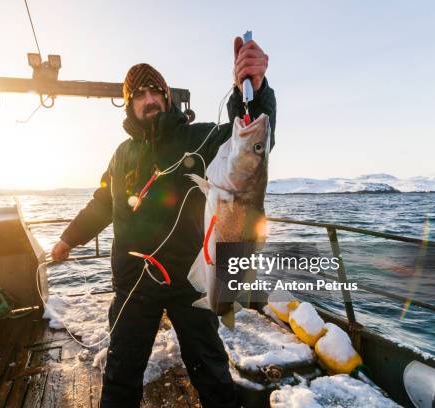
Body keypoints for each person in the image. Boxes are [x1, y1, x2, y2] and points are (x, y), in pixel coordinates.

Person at [51, 37, 276, 408]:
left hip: (189, 280)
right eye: (138, 94)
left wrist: (253, 88)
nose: (148, 98)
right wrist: (67, 239)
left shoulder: (199, 137)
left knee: (211, 369)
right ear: (129, 104)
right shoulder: (122, 155)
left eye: (155, 89)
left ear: (166, 96)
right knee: (121, 372)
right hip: (134, 283)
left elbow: (249, 141)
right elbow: (100, 204)